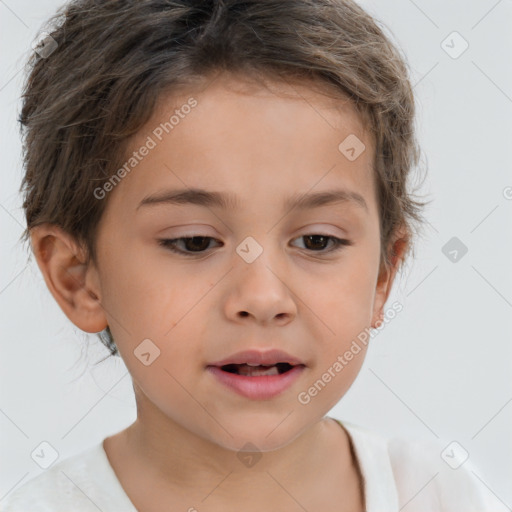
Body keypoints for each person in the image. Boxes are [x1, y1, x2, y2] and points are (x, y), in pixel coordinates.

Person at [3, 1, 505, 511]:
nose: (263, 299)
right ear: (79, 278)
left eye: (317, 241)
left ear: (383, 274)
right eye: (195, 242)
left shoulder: (441, 495)